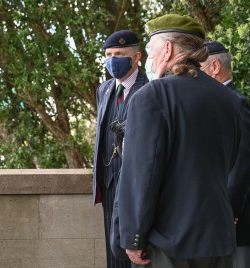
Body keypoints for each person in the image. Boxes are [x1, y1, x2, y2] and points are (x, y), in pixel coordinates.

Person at [112, 14, 242, 267]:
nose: (149, 59)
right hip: (217, 239)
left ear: (168, 49)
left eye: (150, 51)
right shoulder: (228, 99)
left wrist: (133, 238)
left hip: (169, 243)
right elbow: (229, 163)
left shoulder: (152, 96)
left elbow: (142, 176)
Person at [93, 30, 148, 268]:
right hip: (108, 186)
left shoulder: (150, 89)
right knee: (113, 256)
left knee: (136, 257)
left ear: (137, 57)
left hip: (135, 189)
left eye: (120, 54)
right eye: (109, 54)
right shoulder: (104, 90)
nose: (112, 59)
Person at [201, 41, 250, 268]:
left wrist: (228, 216)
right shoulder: (211, 103)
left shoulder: (237, 103)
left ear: (214, 67)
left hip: (236, 222)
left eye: (199, 69)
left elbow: (242, 167)